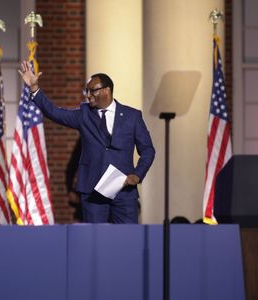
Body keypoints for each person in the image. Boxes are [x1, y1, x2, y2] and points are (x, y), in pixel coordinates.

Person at [18, 61, 155, 223]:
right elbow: (54, 112)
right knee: (95, 241)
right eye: (86, 91)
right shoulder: (84, 114)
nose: (88, 95)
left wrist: (137, 174)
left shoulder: (132, 116)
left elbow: (148, 150)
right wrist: (34, 89)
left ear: (106, 90)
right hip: (93, 192)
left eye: (92, 91)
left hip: (124, 191)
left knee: (127, 240)